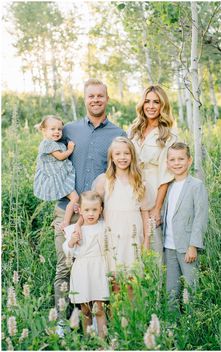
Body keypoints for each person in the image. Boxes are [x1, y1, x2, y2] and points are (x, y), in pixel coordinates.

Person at [53, 79, 126, 315]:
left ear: (107, 99)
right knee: (65, 267)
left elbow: (121, 172)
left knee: (101, 266)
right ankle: (64, 321)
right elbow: (53, 164)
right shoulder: (69, 130)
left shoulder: (118, 134)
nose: (96, 100)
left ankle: (100, 322)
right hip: (67, 210)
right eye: (91, 96)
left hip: (99, 215)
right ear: (85, 99)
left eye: (100, 96)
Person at [93, 137, 155, 287]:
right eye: (118, 154)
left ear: (132, 156)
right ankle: (116, 310)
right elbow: (95, 210)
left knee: (133, 279)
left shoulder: (140, 183)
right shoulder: (104, 181)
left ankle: (132, 310)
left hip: (133, 236)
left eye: (126, 153)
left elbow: (145, 213)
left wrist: (147, 240)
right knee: (113, 277)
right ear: (112, 158)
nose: (122, 157)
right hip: (112, 236)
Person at [129, 85, 178, 265]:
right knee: (135, 238)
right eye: (147, 101)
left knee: (154, 240)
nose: (150, 106)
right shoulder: (134, 130)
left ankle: (157, 288)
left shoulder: (168, 135)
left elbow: (166, 175)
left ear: (162, 106)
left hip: (155, 192)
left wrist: (157, 207)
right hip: (133, 190)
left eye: (156, 102)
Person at [163, 142, 208, 307]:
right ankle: (172, 329)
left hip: (187, 246)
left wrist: (194, 245)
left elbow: (200, 217)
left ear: (189, 161)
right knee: (171, 291)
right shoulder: (168, 186)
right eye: (172, 159)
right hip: (169, 247)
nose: (177, 163)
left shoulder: (196, 185)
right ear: (167, 163)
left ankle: (192, 325)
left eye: (181, 159)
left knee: (191, 288)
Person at [63, 191, 109, 338]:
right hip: (82, 270)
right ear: (80, 210)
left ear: (101, 209)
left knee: (99, 308)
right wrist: (71, 241)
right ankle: (87, 339)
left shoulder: (104, 226)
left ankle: (102, 341)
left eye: (95, 209)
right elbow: (68, 252)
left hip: (99, 269)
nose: (91, 213)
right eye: (87, 210)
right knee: (85, 309)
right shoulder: (75, 230)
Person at [34, 115, 79, 229]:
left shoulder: (55, 143)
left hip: (59, 176)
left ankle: (73, 208)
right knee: (75, 198)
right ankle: (66, 222)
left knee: (74, 199)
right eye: (52, 129)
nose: (57, 132)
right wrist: (70, 149)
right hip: (57, 179)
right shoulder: (48, 143)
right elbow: (60, 157)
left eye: (59, 129)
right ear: (44, 130)